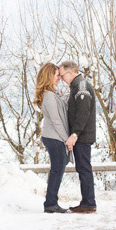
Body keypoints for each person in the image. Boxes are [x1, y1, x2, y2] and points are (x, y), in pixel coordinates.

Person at [58, 60, 97, 213]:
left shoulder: (81, 87)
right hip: (81, 135)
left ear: (70, 72)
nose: (61, 79)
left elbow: (83, 113)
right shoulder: (77, 86)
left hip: (82, 136)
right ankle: (87, 201)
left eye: (62, 76)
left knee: (84, 168)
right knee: (82, 168)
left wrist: (75, 134)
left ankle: (88, 203)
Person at [34, 62, 71, 214]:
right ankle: (50, 203)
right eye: (57, 75)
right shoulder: (49, 96)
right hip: (54, 137)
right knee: (57, 170)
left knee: (57, 169)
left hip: (54, 137)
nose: (59, 78)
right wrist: (66, 139)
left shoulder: (50, 94)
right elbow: (56, 120)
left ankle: (51, 202)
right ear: (49, 76)